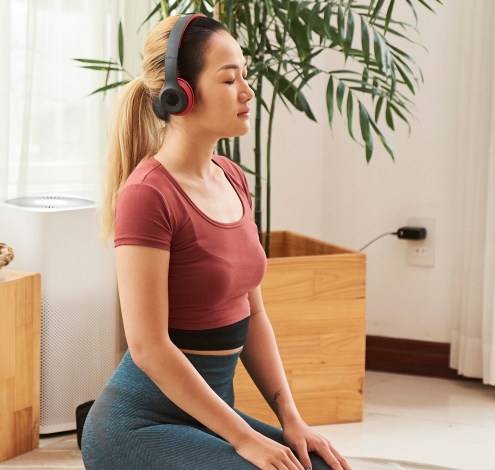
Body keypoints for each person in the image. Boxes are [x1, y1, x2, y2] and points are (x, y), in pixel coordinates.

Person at [80, 13, 352, 470]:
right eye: (230, 80)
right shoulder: (148, 195)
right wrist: (245, 439)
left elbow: (255, 313)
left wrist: (291, 420)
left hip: (209, 418)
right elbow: (147, 347)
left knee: (322, 467)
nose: (248, 92)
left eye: (245, 76)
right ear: (180, 93)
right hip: (139, 426)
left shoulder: (232, 178)